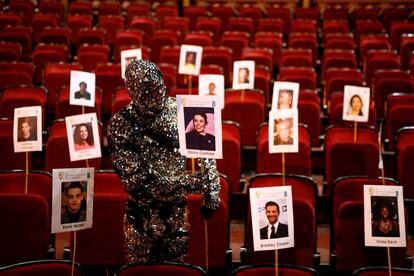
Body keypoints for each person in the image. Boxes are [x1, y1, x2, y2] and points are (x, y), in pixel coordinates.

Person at [107, 59, 220, 264]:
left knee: (176, 267)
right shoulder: (120, 124)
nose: (157, 95)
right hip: (140, 214)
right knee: (141, 267)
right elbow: (138, 181)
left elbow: (204, 150)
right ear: (132, 92)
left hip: (176, 212)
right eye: (149, 91)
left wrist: (212, 188)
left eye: (159, 86)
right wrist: (190, 184)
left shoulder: (181, 109)